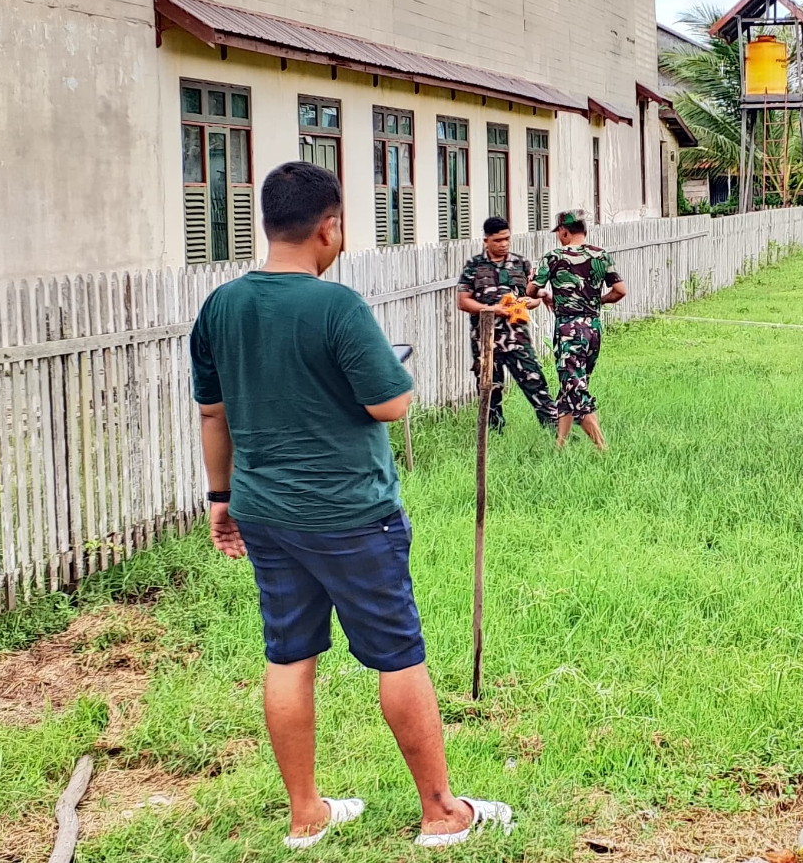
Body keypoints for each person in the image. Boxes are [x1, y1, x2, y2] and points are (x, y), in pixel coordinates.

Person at [189, 162, 513, 850]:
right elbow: (389, 402)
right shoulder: (335, 307)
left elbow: (213, 414)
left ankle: (306, 813)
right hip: (350, 515)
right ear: (328, 227)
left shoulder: (221, 306)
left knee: (288, 655)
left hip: (265, 513)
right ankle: (441, 813)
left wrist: (221, 497)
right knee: (398, 656)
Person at [528, 210, 626, 450]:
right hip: (593, 329)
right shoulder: (601, 256)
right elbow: (620, 290)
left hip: (568, 330)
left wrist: (543, 292)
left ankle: (603, 449)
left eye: (559, 233)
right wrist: (597, 302)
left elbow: (531, 290)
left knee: (575, 389)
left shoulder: (553, 257)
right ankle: (559, 447)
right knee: (570, 385)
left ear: (564, 231)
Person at [455, 216, 557, 432]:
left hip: (517, 338)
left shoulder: (521, 264)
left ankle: (556, 431)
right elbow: (463, 301)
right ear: (486, 241)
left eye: (507, 239)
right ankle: (493, 434)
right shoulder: (474, 267)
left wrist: (532, 301)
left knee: (535, 382)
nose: (503, 244)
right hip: (486, 340)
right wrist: (492, 309)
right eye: (498, 240)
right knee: (490, 390)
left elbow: (534, 295)